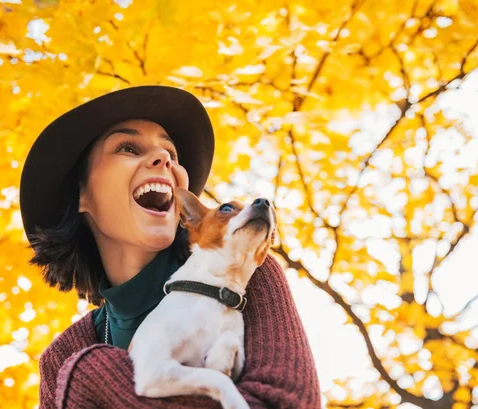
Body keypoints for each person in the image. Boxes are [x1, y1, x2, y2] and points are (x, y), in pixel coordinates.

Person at [19, 85, 321, 409]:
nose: (164, 158)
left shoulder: (245, 274)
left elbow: (287, 404)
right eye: (128, 148)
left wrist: (97, 378)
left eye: (172, 154)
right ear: (79, 194)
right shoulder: (63, 358)